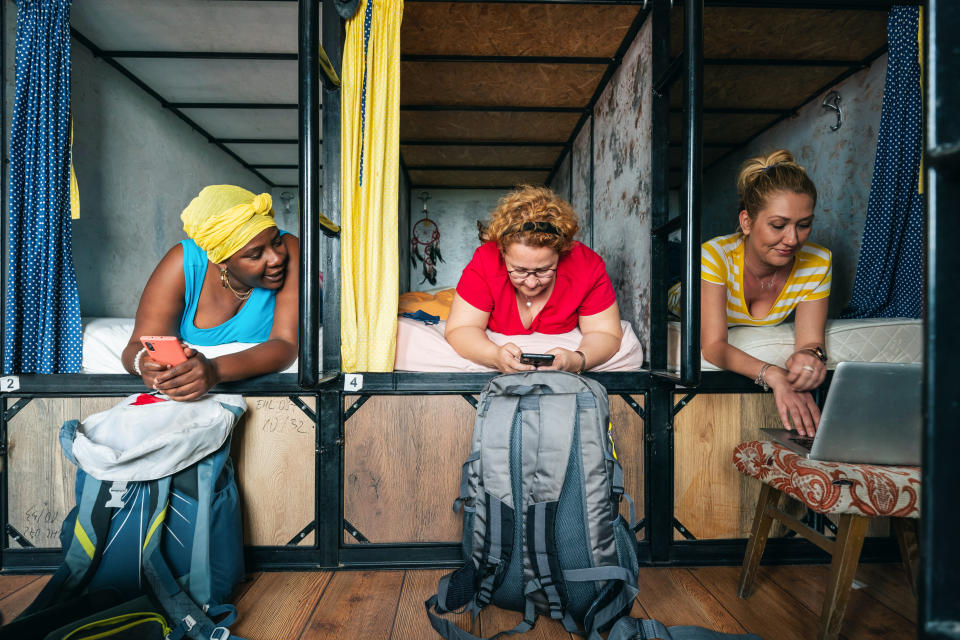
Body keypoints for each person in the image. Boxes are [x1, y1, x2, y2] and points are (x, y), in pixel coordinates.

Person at [687, 150, 831, 435]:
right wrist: (773, 374)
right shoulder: (714, 256)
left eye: (804, 225)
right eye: (778, 225)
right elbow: (713, 346)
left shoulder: (818, 261)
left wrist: (809, 358)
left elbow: (811, 341)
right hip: (679, 285)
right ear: (747, 222)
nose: (792, 239)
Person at [121, 185, 299, 400]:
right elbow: (136, 346)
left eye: (275, 241)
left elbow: (286, 345)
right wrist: (144, 363)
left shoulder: (290, 248)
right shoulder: (182, 265)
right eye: (255, 255)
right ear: (221, 262)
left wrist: (214, 370)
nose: (276, 258)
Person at [445, 185, 623, 374]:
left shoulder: (586, 266)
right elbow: (461, 328)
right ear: (502, 251)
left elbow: (605, 332)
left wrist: (578, 359)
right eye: (519, 270)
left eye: (544, 270)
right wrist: (494, 356)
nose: (531, 283)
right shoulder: (485, 260)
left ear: (561, 251)